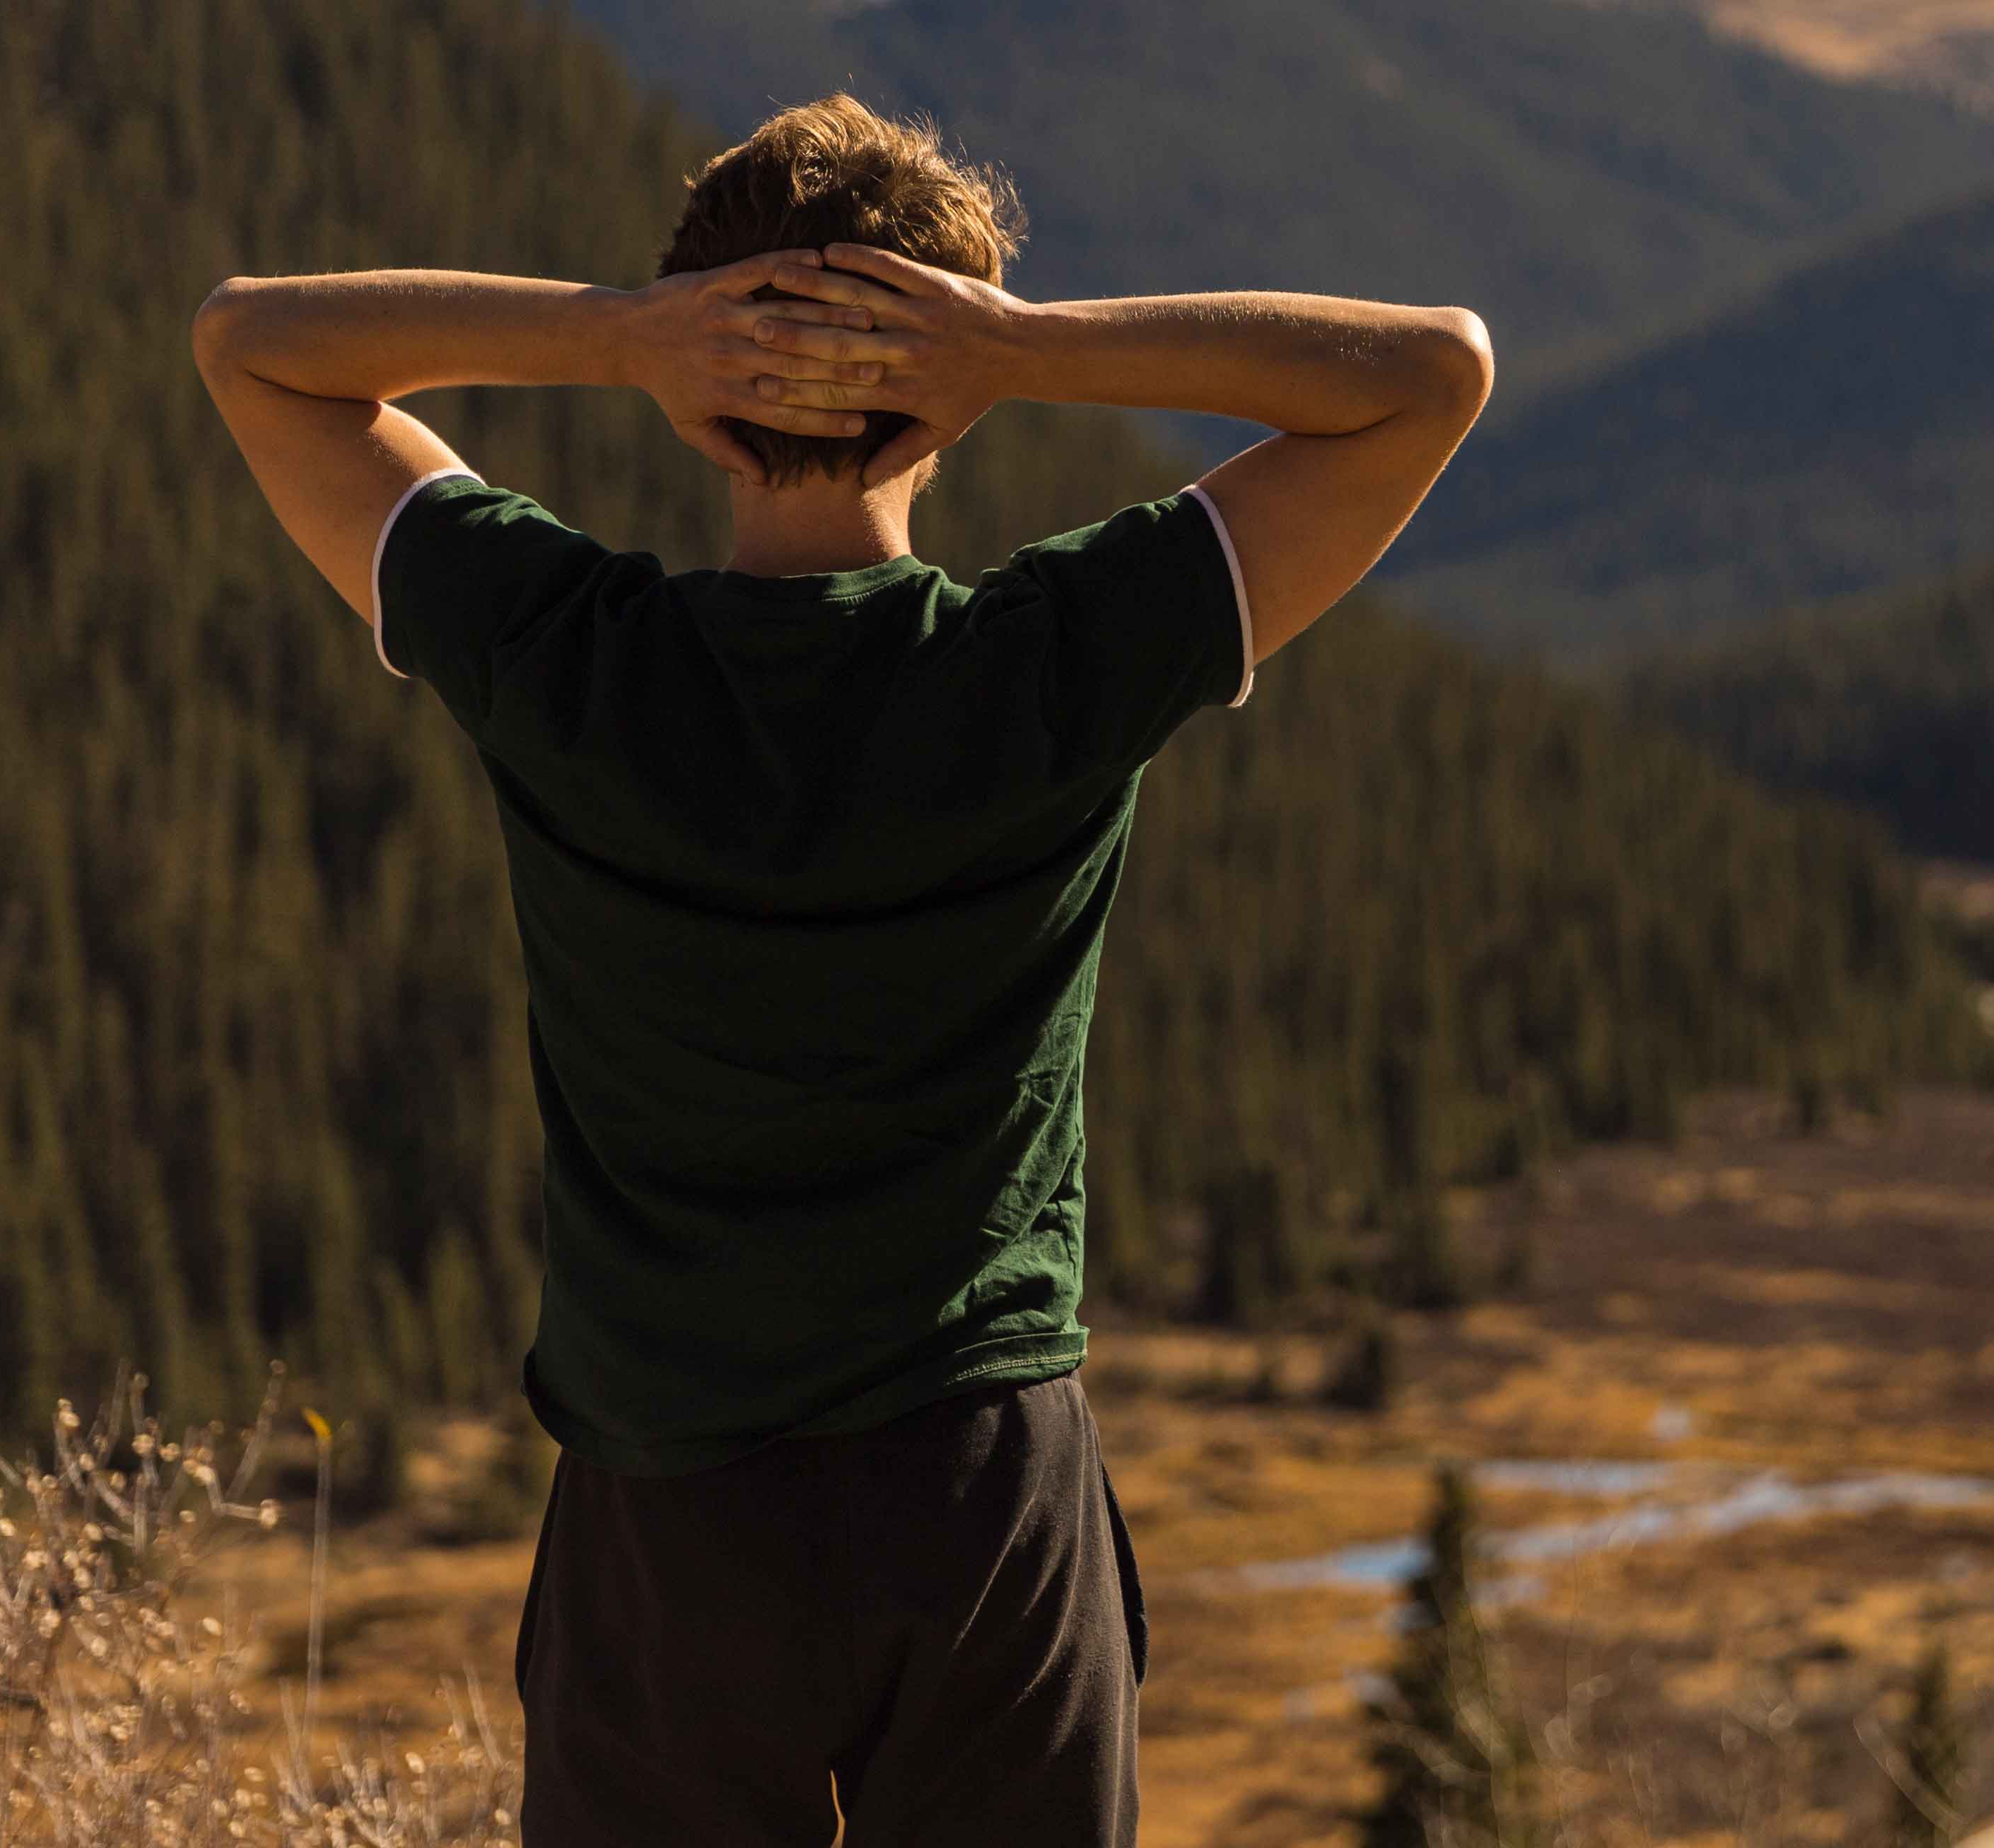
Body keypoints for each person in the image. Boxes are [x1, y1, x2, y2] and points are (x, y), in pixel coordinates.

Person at [189, 94, 1494, 1846]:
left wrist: (618, 338)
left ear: (704, 409)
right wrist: (1017, 352)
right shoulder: (1055, 663)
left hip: (664, 1497)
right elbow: (1433, 372)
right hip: (978, 1488)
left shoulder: (560, 655)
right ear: (939, 410)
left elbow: (256, 348)